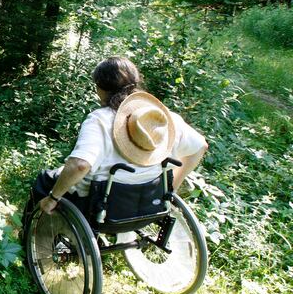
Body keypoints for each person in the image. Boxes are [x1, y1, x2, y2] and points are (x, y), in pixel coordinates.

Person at [26, 56, 208, 220]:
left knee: (45, 180)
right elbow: (201, 146)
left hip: (100, 205)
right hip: (149, 202)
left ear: (100, 87)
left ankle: (32, 237)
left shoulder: (100, 120)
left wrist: (53, 198)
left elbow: (80, 165)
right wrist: (172, 187)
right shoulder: (163, 118)